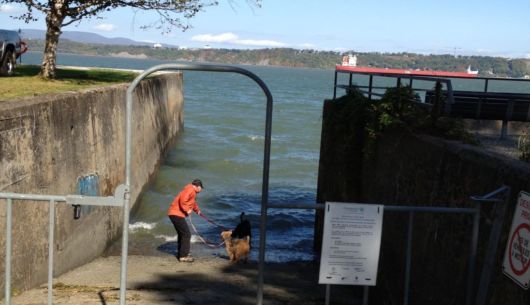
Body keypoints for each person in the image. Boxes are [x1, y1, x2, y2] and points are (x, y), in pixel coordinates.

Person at [167, 179, 204, 262]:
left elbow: (192, 203)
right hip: (176, 214)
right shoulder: (190, 189)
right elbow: (183, 200)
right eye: (201, 188)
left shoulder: (192, 191)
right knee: (186, 234)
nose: (201, 190)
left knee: (182, 234)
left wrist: (197, 211)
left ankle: (182, 253)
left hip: (174, 214)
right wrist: (187, 210)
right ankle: (183, 256)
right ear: (198, 186)